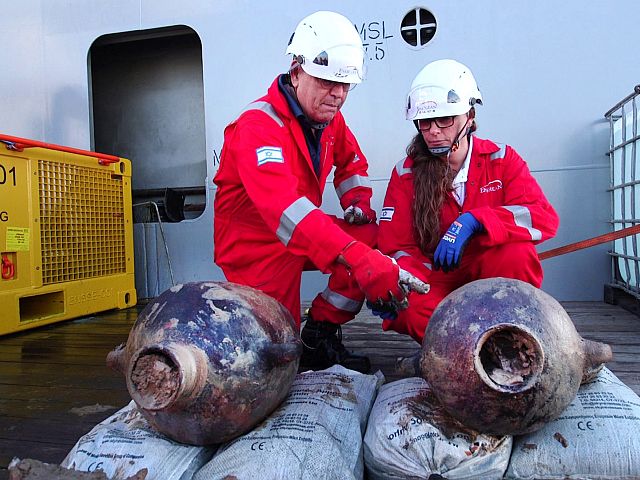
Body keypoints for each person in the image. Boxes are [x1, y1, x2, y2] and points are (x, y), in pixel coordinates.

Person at [213, 11, 428, 373]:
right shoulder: (256, 127)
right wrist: (357, 258)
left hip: (303, 231)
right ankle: (291, 344)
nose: (338, 95)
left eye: (346, 86)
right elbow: (285, 210)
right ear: (296, 72)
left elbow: (352, 162)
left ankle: (320, 332)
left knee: (371, 238)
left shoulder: (328, 119)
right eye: (329, 82)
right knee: (275, 352)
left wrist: (357, 203)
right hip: (256, 248)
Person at [375, 59, 559, 343]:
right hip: (435, 279)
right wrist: (413, 280)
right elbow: (395, 247)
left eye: (445, 119)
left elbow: (542, 218)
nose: (434, 130)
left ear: (469, 117)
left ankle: (503, 336)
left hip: (489, 273)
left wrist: (475, 221)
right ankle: (477, 350)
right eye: (425, 122)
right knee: (408, 306)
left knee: (518, 254)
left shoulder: (501, 159)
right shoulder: (406, 173)